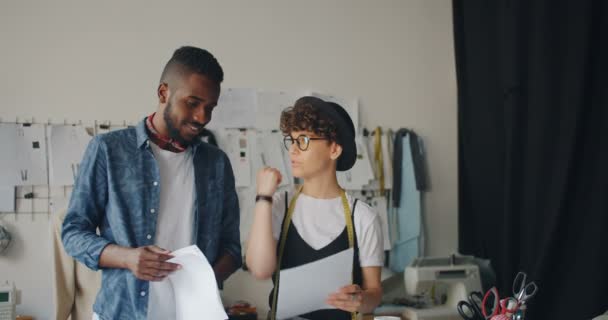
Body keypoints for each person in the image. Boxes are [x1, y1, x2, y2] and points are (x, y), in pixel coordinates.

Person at [62, 46, 241, 320]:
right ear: (163, 93)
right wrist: (127, 258)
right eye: (192, 103)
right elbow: (73, 233)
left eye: (210, 108)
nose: (202, 118)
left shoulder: (216, 164)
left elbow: (232, 249)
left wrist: (203, 280)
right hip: (122, 313)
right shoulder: (109, 150)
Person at [246, 96, 384, 319]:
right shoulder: (279, 205)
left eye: (304, 141)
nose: (293, 150)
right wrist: (263, 197)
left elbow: (375, 293)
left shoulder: (363, 217)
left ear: (334, 150)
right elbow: (260, 269)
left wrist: (361, 300)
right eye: (292, 141)